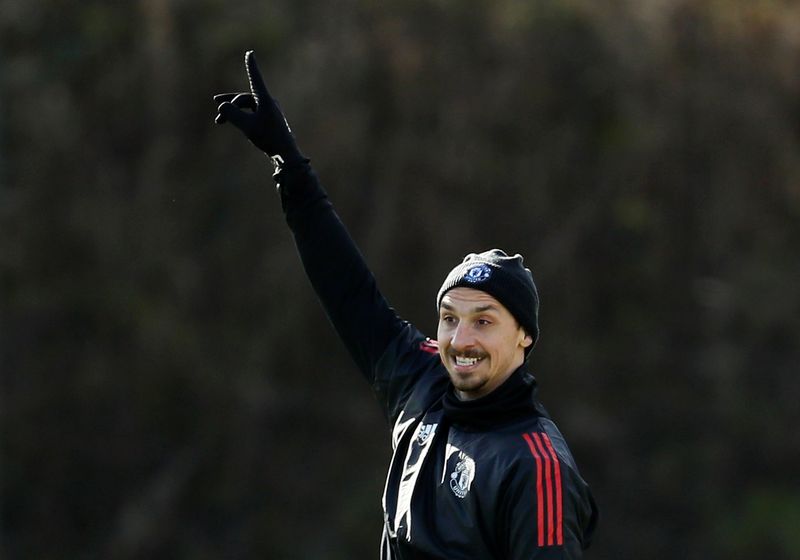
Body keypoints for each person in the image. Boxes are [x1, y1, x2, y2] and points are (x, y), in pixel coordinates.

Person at [214, 50, 598, 559]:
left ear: (524, 335)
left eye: (483, 321)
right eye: (449, 319)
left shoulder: (536, 467)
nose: (460, 341)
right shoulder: (423, 381)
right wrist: (290, 167)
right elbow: (348, 292)